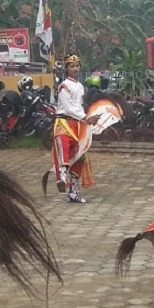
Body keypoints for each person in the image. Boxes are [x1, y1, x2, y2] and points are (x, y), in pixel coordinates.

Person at [51, 54, 98, 203]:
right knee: (63, 147)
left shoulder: (80, 86)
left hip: (78, 123)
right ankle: (62, 177)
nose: (75, 69)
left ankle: (73, 191)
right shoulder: (64, 86)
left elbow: (78, 106)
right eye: (72, 66)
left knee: (80, 156)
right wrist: (85, 118)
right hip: (64, 122)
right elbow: (68, 108)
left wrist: (89, 118)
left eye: (77, 66)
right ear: (67, 69)